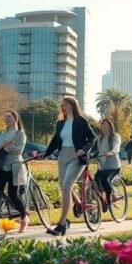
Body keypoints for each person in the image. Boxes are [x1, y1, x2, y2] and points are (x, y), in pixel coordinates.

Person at [40, 97, 95, 236]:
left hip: (76, 156)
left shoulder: (81, 121)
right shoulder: (60, 123)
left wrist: (84, 149)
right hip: (62, 156)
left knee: (66, 187)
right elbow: (54, 141)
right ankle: (77, 205)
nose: (63, 108)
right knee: (63, 187)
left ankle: (62, 224)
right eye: (62, 106)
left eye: (65, 105)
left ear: (72, 105)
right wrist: (46, 153)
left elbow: (92, 138)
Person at [0, 110, 28, 233]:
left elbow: (18, 150)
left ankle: (24, 217)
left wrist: (6, 147)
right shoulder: (0, 134)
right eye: (5, 117)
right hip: (1, 167)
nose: (7, 118)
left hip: (14, 168)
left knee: (13, 195)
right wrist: (5, 144)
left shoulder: (20, 133)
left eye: (9, 116)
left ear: (16, 118)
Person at [94, 118, 122, 207]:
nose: (103, 126)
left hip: (113, 166)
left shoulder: (115, 136)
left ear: (110, 126)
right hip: (102, 166)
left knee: (105, 179)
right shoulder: (99, 138)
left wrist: (111, 153)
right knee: (96, 180)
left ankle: (113, 195)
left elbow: (116, 147)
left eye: (105, 124)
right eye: (102, 124)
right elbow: (94, 149)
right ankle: (103, 198)